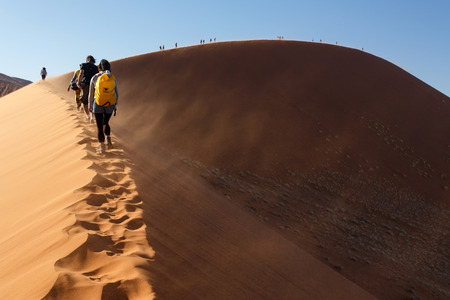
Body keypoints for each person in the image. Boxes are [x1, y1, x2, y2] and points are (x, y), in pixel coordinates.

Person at [88, 59, 118, 154]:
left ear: (99, 68)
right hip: (110, 104)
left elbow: (91, 93)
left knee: (100, 127)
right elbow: (117, 93)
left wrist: (90, 105)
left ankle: (102, 146)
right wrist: (115, 105)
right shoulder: (112, 78)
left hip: (98, 103)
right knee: (106, 122)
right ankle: (108, 140)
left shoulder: (95, 77)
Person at [77, 55, 98, 121]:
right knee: (92, 101)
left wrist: (78, 82)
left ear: (87, 59)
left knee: (84, 101)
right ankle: (92, 117)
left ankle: (87, 115)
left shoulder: (84, 65)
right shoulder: (96, 67)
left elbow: (81, 73)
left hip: (85, 85)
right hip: (94, 86)